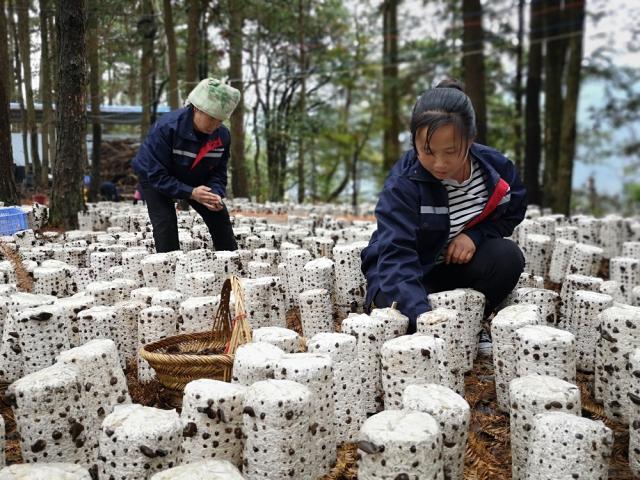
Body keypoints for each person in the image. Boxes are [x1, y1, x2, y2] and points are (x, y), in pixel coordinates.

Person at [361, 79, 527, 333]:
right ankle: (437, 320)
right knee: (392, 307)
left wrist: (475, 236)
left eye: (450, 152)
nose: (439, 163)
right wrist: (424, 321)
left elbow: (513, 209)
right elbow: (397, 254)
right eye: (427, 151)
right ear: (414, 141)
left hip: (451, 267)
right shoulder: (402, 184)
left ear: (470, 140)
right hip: (405, 270)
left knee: (507, 258)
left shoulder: (496, 170)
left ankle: (469, 325)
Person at [132, 78, 240, 252]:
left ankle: (230, 262)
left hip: (195, 176)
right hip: (156, 177)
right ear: (197, 108)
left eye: (220, 120)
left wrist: (215, 193)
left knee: (219, 215)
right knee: (165, 224)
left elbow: (219, 172)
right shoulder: (166, 128)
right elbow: (157, 175)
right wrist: (190, 192)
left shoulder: (222, 136)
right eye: (211, 118)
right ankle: (169, 269)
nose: (215, 125)